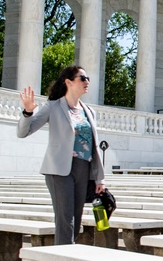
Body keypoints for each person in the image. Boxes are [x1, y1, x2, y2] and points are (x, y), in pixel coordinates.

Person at [17, 65, 106, 246]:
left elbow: (93, 147)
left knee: (76, 218)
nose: (87, 81)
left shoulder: (89, 111)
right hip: (59, 169)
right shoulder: (53, 107)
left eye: (88, 78)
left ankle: (66, 256)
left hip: (84, 168)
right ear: (68, 82)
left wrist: (99, 179)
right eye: (82, 78)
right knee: (65, 218)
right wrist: (27, 112)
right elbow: (24, 132)